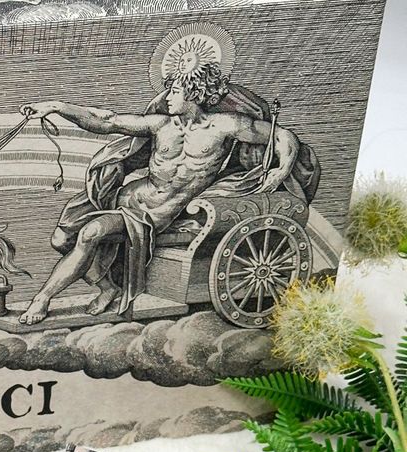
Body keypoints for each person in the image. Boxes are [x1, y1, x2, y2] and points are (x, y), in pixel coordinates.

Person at [18, 61, 317, 324]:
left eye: (174, 91)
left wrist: (281, 170)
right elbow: (106, 121)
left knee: (89, 234)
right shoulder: (161, 125)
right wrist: (56, 106)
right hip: (119, 198)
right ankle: (108, 288)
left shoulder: (225, 126)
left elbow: (282, 136)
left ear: (194, 93)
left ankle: (42, 299)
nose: (167, 98)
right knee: (60, 240)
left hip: (151, 214)